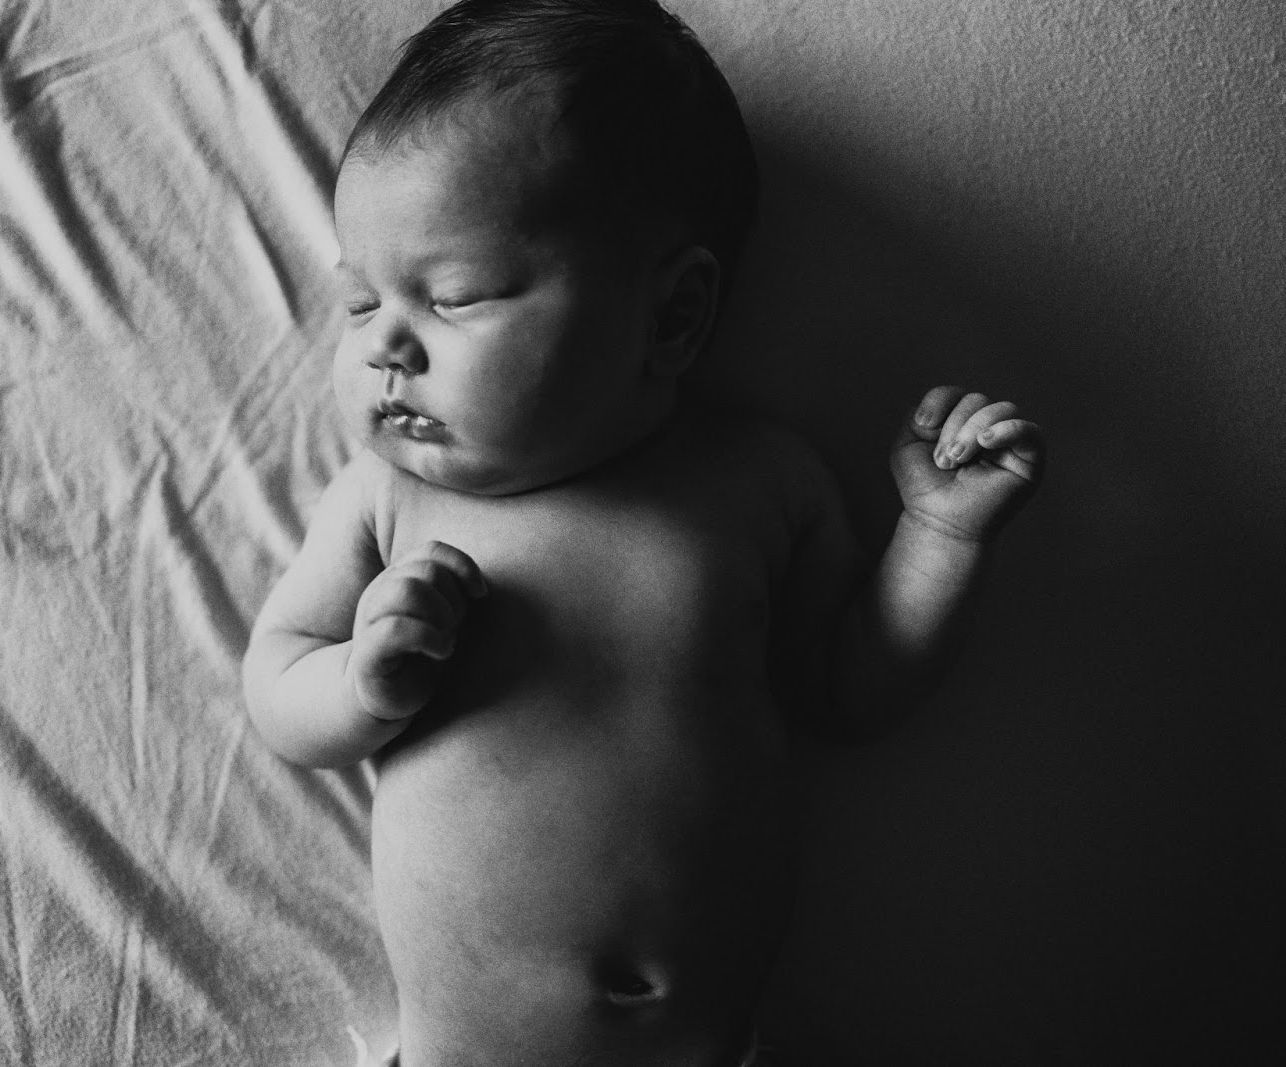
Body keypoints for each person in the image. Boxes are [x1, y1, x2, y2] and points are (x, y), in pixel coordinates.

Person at [242, 1, 1045, 1062]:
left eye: (456, 296)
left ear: (670, 317)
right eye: (356, 303)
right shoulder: (390, 501)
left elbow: (848, 688)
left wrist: (939, 539)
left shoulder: (758, 484)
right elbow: (276, 685)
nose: (386, 344)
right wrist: (360, 683)